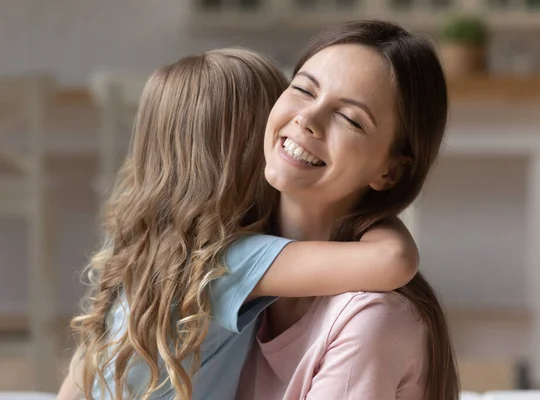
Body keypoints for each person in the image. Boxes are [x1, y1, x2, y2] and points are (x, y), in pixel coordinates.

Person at [57, 48, 419, 400]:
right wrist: (380, 209)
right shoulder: (228, 261)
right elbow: (393, 261)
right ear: (242, 156)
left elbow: (84, 371)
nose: (297, 124)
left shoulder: (146, 247)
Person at [237, 20, 459, 400]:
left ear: (389, 171)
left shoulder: (371, 317)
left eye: (351, 119)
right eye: (304, 89)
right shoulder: (224, 261)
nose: (307, 119)